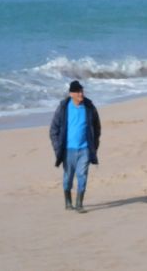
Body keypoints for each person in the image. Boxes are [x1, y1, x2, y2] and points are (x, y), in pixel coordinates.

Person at [49, 80, 101, 213]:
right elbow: (53, 130)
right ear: (71, 93)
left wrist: (93, 147)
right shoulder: (63, 107)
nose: (81, 94)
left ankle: (79, 204)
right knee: (68, 177)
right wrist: (57, 148)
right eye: (78, 91)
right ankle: (68, 201)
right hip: (68, 150)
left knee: (82, 175)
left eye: (82, 91)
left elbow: (97, 127)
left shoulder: (89, 107)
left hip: (85, 149)